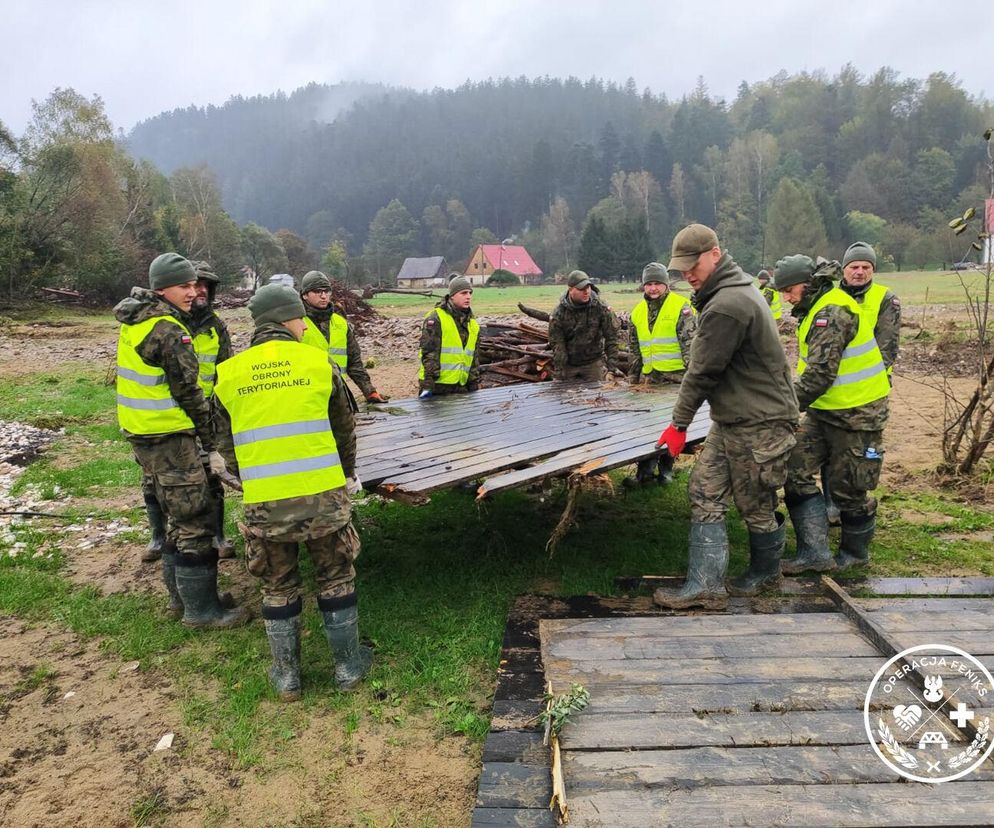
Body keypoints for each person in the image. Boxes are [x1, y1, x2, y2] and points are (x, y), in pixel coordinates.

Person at [214, 284, 370, 700]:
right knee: (336, 576)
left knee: (277, 585)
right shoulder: (318, 364)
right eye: (299, 317)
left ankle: (287, 677)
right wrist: (348, 474)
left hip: (266, 502)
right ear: (286, 319)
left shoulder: (229, 373)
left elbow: (225, 443)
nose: (304, 324)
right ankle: (348, 669)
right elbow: (344, 431)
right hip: (323, 498)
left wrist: (249, 479)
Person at [652, 225, 799, 609]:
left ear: (715, 254)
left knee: (755, 503)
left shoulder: (728, 306)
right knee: (704, 490)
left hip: (759, 422)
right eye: (681, 268)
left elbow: (702, 372)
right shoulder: (727, 293)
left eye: (693, 264)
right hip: (735, 417)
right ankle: (706, 586)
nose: (687, 274)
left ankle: (766, 574)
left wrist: (678, 424)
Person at [115, 253, 250, 629]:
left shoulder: (137, 318)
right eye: (184, 286)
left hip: (146, 433)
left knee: (177, 516)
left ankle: (184, 600)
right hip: (172, 436)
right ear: (162, 288)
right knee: (194, 519)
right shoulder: (168, 330)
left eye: (195, 285)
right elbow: (189, 392)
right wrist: (215, 445)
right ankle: (202, 611)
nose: (193, 292)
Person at [774, 254, 891, 573]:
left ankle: (855, 555)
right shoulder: (815, 308)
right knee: (794, 469)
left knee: (848, 488)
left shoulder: (832, 311)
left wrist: (782, 408)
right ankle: (814, 553)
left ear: (808, 284)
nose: (786, 297)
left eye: (789, 289)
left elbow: (820, 376)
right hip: (824, 411)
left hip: (858, 414)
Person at [624, 262, 696, 487]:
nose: (653, 288)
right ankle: (644, 473)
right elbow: (635, 350)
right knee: (647, 426)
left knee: (672, 426)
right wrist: (633, 380)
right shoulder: (637, 312)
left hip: (676, 379)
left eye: (657, 283)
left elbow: (690, 345)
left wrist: (693, 379)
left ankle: (666, 472)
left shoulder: (681, 307)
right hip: (651, 381)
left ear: (666, 284)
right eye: (649, 284)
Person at [299, 270, 388, 404]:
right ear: (305, 295)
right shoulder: (296, 323)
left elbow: (354, 362)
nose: (323, 296)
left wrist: (370, 391)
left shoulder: (340, 324)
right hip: (307, 396)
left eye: (327, 291)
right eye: (317, 292)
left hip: (338, 396)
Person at [548, 270, 621, 382]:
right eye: (581, 289)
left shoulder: (600, 308)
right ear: (571, 289)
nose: (586, 291)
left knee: (598, 396)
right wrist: (559, 371)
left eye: (588, 287)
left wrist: (612, 368)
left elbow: (612, 338)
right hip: (569, 364)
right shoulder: (559, 313)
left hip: (593, 363)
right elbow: (557, 345)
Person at [418, 274, 480, 398]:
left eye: (470, 293)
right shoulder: (436, 318)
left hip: (461, 385)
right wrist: (428, 385)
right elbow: (429, 353)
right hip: (438, 386)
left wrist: (473, 383)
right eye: (463, 293)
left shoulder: (472, 323)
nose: (468, 297)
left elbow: (473, 358)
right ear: (452, 296)